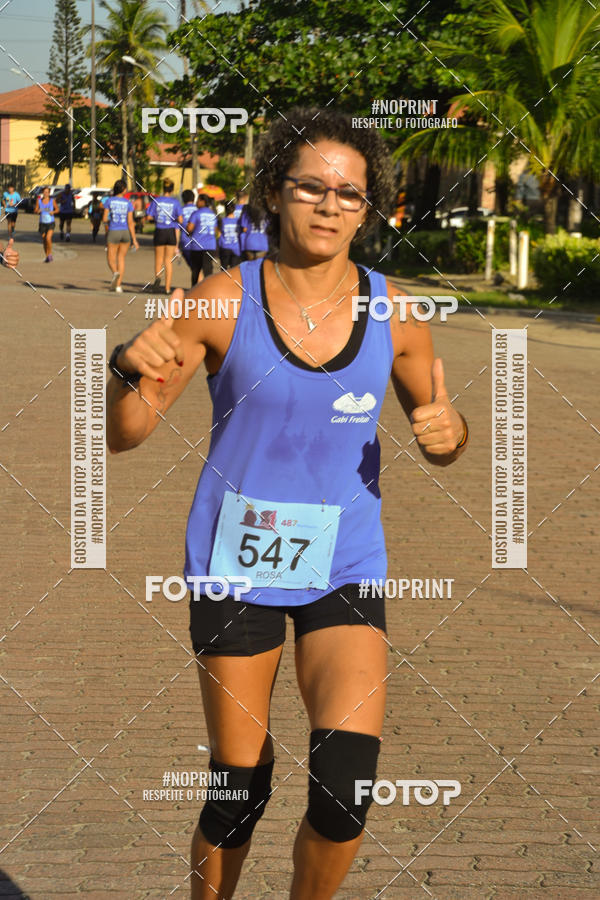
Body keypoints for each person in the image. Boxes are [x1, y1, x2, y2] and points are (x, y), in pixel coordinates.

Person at [106, 107, 469, 900]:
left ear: (368, 208)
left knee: (345, 792)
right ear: (276, 192)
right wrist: (125, 370)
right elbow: (125, 436)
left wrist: (450, 434)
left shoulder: (398, 314)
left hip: (345, 562)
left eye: (351, 194)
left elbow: (441, 424)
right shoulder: (218, 303)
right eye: (312, 188)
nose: (331, 206)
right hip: (235, 566)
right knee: (240, 786)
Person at [146, 178, 183, 293]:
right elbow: (180, 220)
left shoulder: (156, 201)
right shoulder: (175, 202)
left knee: (159, 259)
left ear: (163, 188)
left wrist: (157, 218)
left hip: (160, 231)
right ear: (172, 190)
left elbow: (148, 217)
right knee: (168, 261)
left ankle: (158, 279)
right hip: (171, 232)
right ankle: (167, 288)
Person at [102, 179, 138, 292]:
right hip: (125, 232)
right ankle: (118, 286)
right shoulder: (128, 203)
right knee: (121, 258)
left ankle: (115, 273)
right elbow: (131, 222)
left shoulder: (109, 201)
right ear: (123, 189)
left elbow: (104, 218)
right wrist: (134, 239)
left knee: (110, 257)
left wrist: (106, 228)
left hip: (113, 230)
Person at [187, 193, 218, 286]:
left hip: (197, 245)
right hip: (210, 245)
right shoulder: (213, 214)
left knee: (196, 269)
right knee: (208, 269)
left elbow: (189, 228)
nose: (196, 202)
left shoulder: (196, 213)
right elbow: (215, 230)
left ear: (203, 202)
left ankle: (194, 289)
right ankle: (209, 289)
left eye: (198, 200)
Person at [217, 200, 242, 271]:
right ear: (234, 209)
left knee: (223, 270)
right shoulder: (239, 221)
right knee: (234, 270)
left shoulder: (221, 221)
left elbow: (219, 234)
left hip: (224, 247)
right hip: (236, 248)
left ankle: (224, 281)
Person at [35, 187, 59, 262]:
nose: (45, 193)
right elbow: (35, 210)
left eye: (47, 192)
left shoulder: (52, 201)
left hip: (50, 222)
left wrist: (53, 212)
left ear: (49, 193)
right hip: (42, 223)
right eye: (44, 192)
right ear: (42, 193)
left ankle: (50, 254)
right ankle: (47, 256)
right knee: (44, 240)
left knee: (48, 238)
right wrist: (37, 211)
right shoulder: (39, 201)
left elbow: (57, 209)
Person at [178, 189, 197, 282]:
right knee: (197, 268)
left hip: (185, 243)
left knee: (194, 268)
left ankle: (197, 287)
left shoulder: (180, 211)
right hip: (199, 244)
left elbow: (177, 228)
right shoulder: (199, 210)